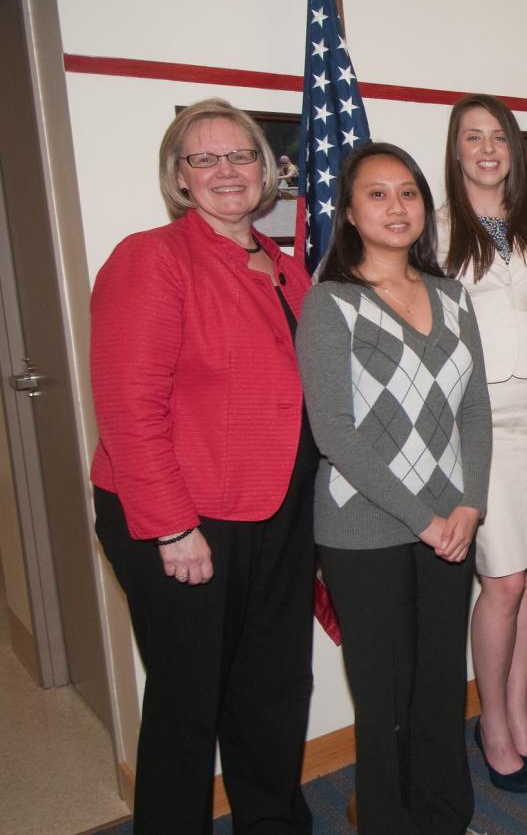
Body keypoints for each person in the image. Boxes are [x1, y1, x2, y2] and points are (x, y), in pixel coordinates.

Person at [89, 98, 316, 833]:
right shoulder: (151, 258)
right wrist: (172, 527)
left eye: (242, 155)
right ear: (178, 177)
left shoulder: (287, 269)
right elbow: (129, 407)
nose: (227, 171)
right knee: (190, 702)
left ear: (266, 170)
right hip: (184, 515)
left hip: (279, 509)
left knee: (274, 687)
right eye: (204, 158)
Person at [296, 142, 492, 834]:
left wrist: (469, 504)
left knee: (441, 684)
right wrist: (425, 517)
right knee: (385, 699)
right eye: (377, 194)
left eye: (408, 192)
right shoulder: (330, 305)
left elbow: (474, 408)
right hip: (363, 530)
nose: (396, 206)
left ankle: (446, 815)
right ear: (348, 212)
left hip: (452, 524)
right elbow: (335, 435)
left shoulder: (451, 294)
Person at [438, 93, 527, 794]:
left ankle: (519, 711)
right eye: (472, 137)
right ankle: (491, 720)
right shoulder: (430, 229)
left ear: (515, 152)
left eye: (498, 138)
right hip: (476, 420)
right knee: (504, 578)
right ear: (455, 148)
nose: (487, 149)